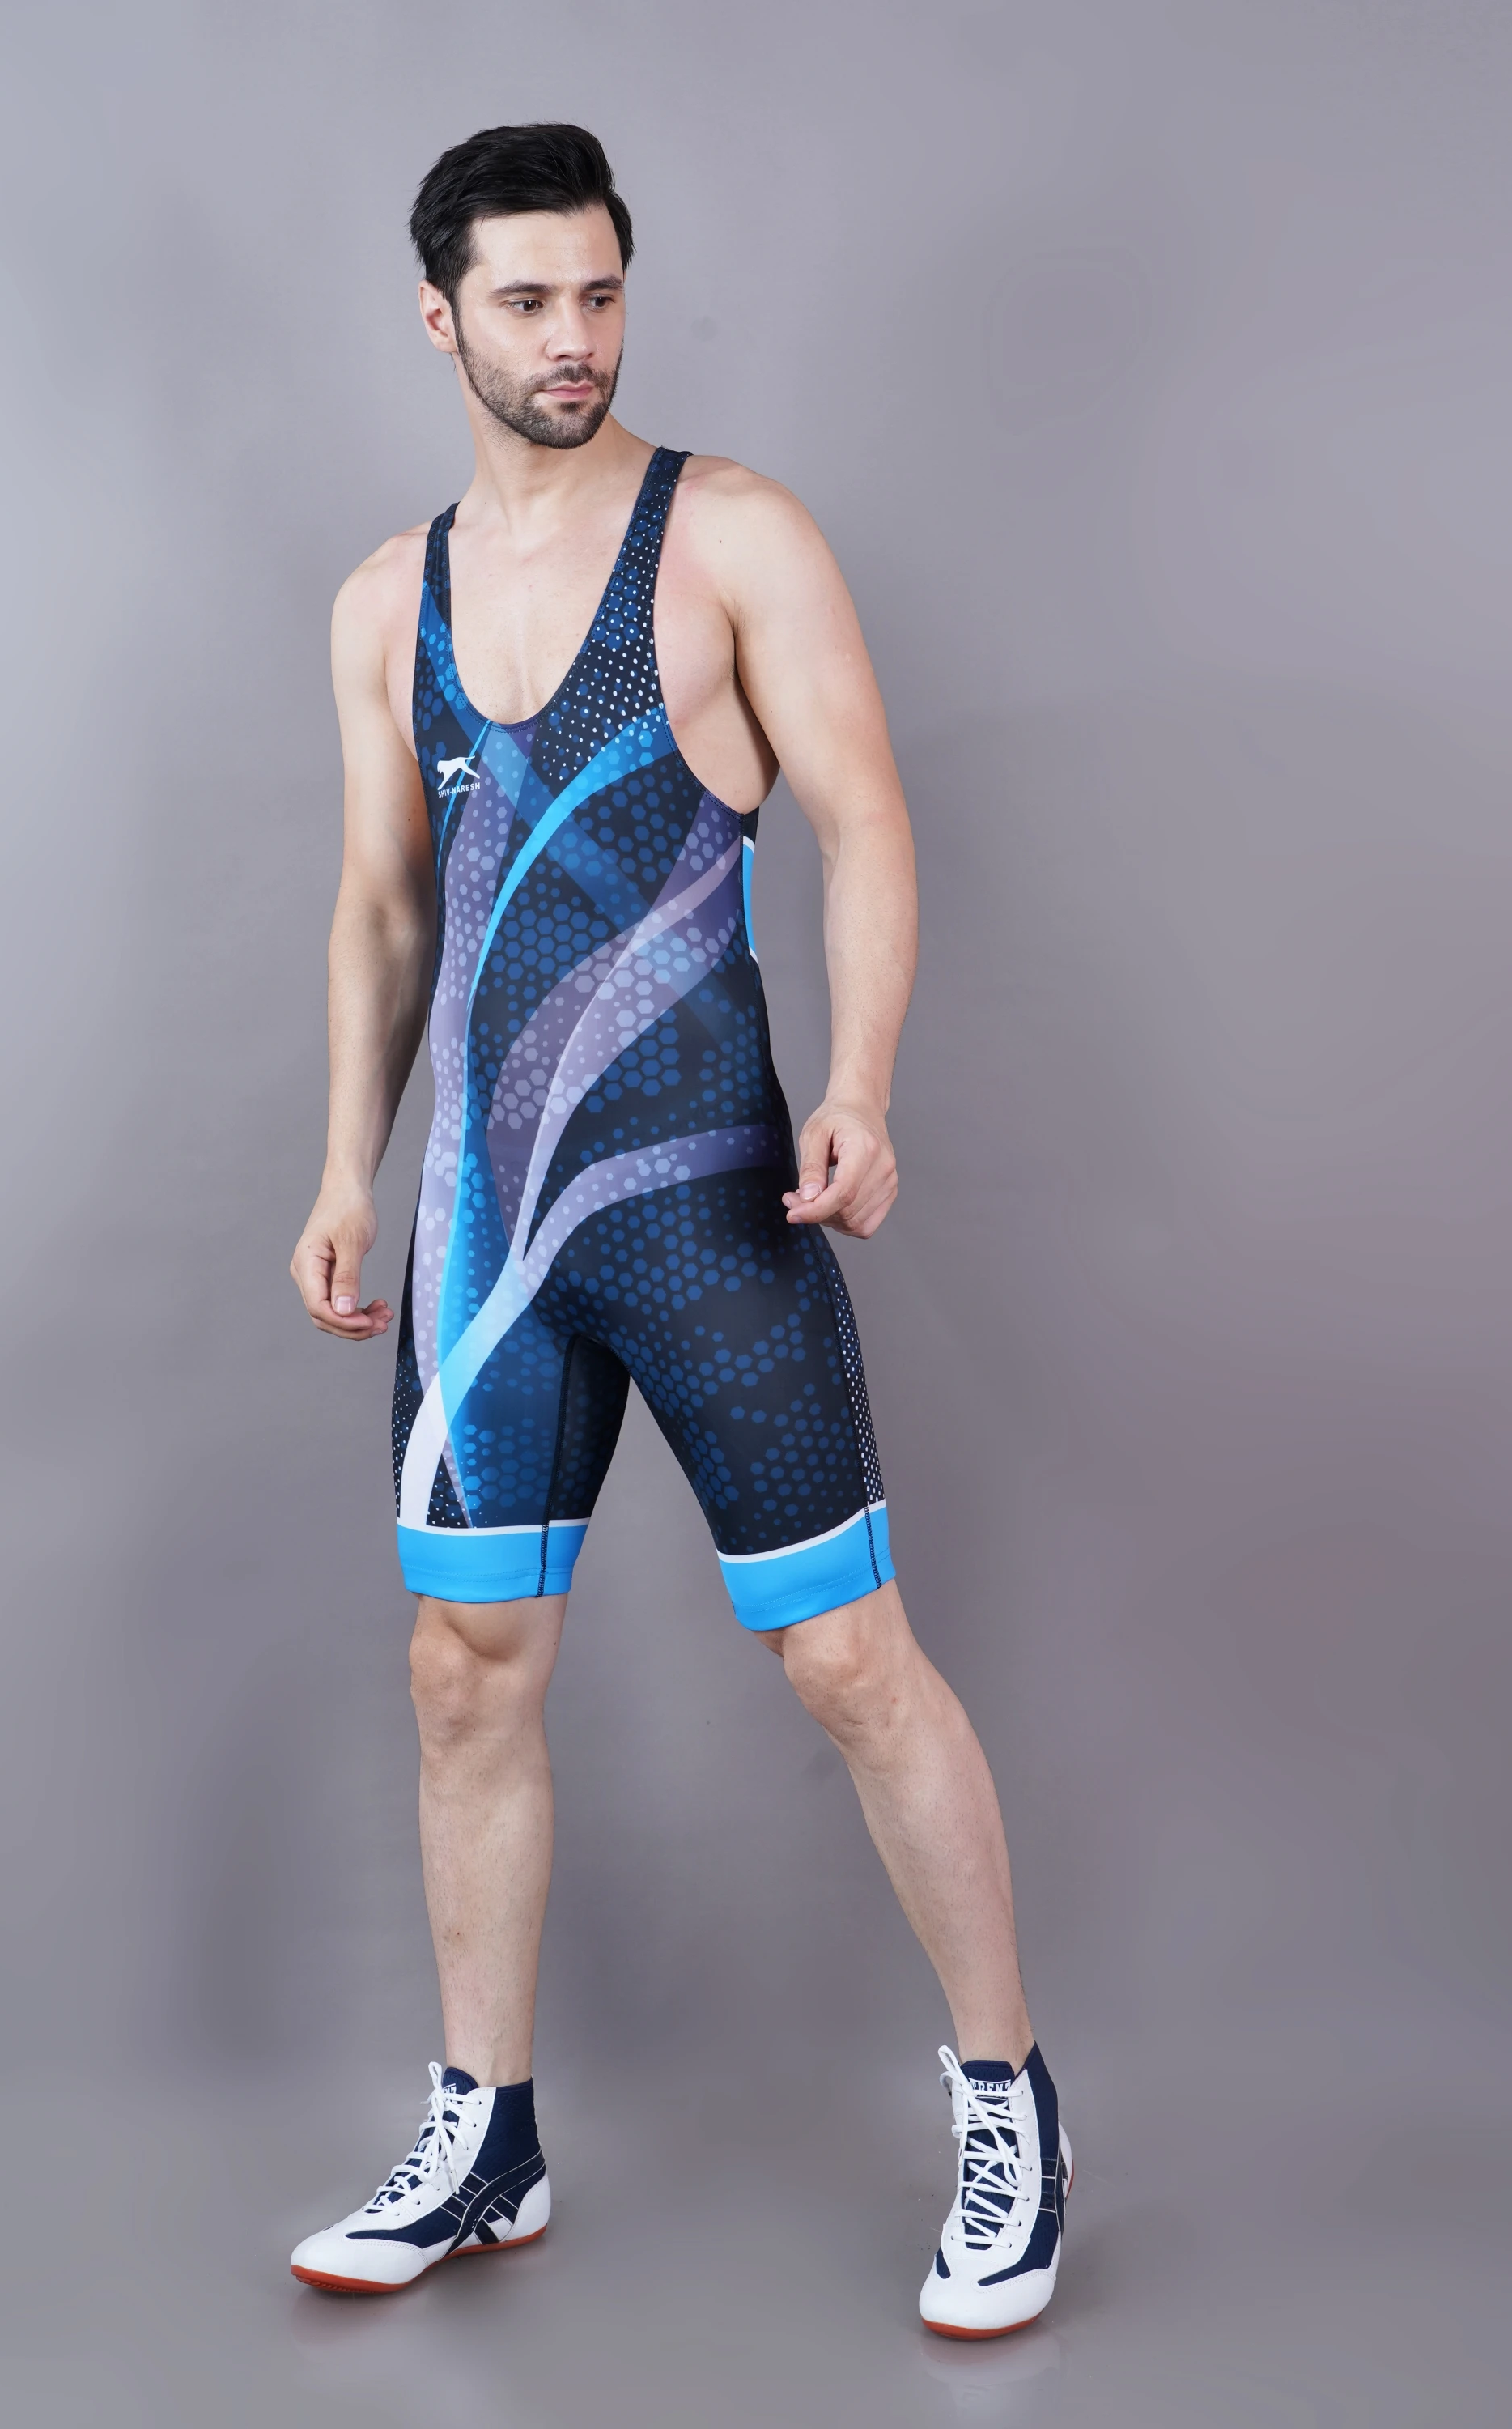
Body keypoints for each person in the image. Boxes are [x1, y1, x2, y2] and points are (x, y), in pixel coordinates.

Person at [284, 123, 1063, 2340]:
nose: (574, 338)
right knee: (465, 1666)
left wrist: (862, 1084)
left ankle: (1008, 2101)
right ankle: (485, 2130)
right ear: (440, 316)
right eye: (527, 301)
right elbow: (382, 908)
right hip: (487, 1232)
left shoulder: (732, 539)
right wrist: (345, 1167)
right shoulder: (386, 601)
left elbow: (868, 821)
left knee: (844, 1658)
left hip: (710, 1197)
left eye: (601, 293)